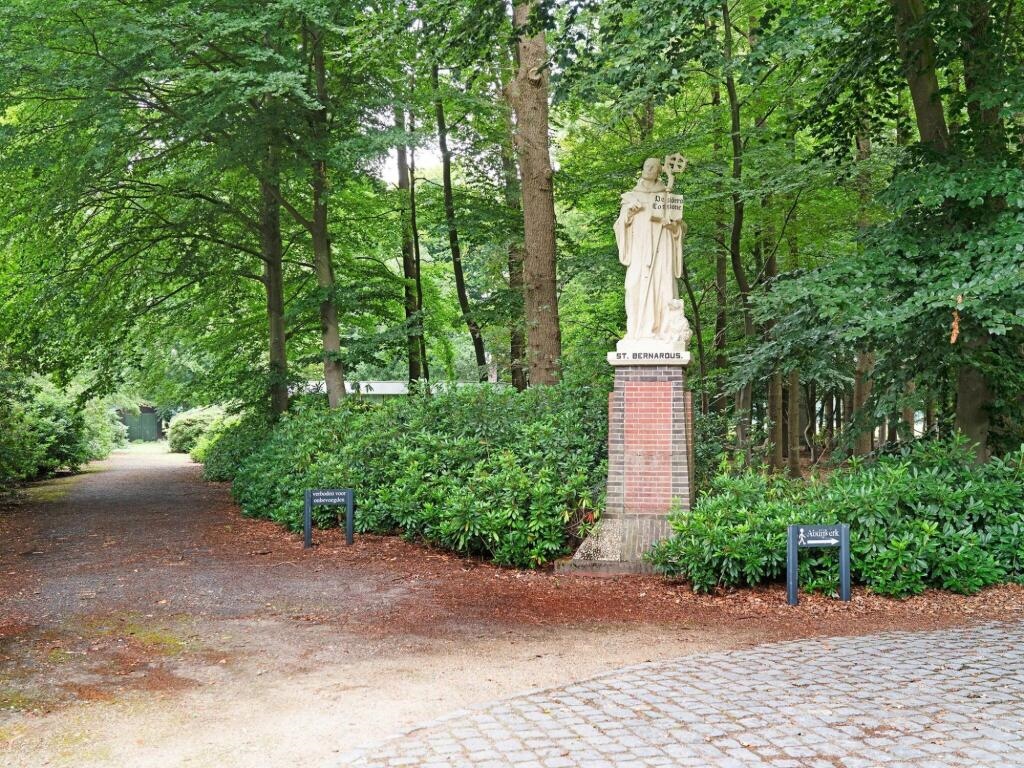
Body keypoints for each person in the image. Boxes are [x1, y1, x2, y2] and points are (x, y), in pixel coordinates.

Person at [613, 158, 687, 342]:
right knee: (634, 285)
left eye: (653, 166)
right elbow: (620, 225)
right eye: (646, 165)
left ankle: (663, 331)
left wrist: (673, 226)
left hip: (662, 249)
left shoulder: (666, 196)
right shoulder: (631, 196)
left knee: (662, 286)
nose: (648, 168)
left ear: (659, 171)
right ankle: (638, 332)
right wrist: (629, 212)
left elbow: (680, 226)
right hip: (639, 249)